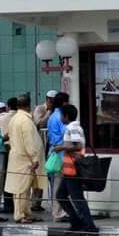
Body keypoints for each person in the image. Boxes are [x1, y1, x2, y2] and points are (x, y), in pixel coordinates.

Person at [55, 103, 99, 236]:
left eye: (61, 115)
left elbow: (78, 145)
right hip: (69, 169)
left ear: (66, 116)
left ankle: (89, 227)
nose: (60, 117)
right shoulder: (74, 127)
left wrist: (61, 148)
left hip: (74, 169)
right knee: (61, 195)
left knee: (78, 199)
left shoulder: (72, 127)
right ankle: (76, 222)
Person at [5, 97, 44, 224]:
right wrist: (34, 158)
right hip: (25, 159)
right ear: (28, 105)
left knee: (22, 188)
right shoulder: (25, 121)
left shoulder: (14, 119)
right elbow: (29, 141)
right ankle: (20, 215)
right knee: (22, 189)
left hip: (18, 157)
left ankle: (26, 213)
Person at [45, 92, 69, 220]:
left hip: (55, 150)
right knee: (59, 183)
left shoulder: (52, 115)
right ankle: (58, 212)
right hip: (60, 152)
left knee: (58, 183)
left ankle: (59, 211)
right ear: (64, 103)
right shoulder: (60, 116)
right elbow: (65, 132)